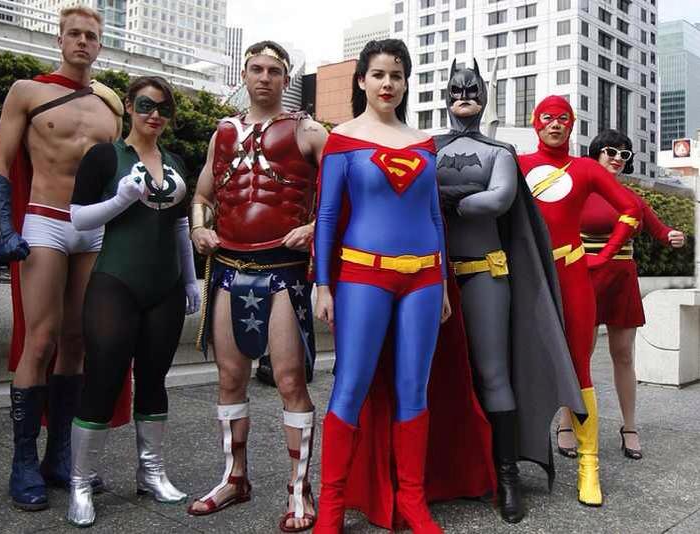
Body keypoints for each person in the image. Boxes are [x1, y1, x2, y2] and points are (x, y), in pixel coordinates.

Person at [313, 39, 500, 534]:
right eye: (378, 74)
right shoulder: (342, 140)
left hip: (423, 279)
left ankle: (413, 501)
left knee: (414, 389)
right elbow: (327, 215)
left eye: (396, 75)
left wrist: (440, 283)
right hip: (363, 275)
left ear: (405, 82)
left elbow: (434, 216)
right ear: (361, 80)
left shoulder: (422, 143)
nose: (387, 84)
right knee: (350, 386)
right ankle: (331, 506)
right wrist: (323, 284)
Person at [0, 5, 128, 511]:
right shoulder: (28, 92)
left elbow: (119, 180)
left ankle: (59, 456)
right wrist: (3, 229)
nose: (83, 42)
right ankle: (23, 462)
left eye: (91, 36)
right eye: (74, 34)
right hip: (44, 220)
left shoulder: (110, 110)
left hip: (91, 227)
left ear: (100, 45)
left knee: (77, 342)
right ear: (60, 40)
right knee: (40, 340)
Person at [434, 61, 585, 523]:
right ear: (445, 97)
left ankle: (507, 475)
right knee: (433, 376)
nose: (464, 95)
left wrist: (449, 201)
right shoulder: (429, 147)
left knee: (494, 374)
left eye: (472, 89)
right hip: (432, 276)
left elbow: (499, 199)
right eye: (456, 89)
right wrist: (464, 198)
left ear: (484, 96)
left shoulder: (500, 151)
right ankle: (443, 471)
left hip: (485, 272)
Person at [187, 40, 327, 532]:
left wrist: (315, 228)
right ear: (244, 75)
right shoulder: (222, 133)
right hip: (229, 266)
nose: (264, 77)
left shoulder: (310, 131)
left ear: (286, 79)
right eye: (256, 69)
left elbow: (342, 194)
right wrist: (198, 228)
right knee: (230, 378)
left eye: (273, 70)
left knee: (289, 380)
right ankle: (234, 478)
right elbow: (202, 195)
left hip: (284, 270)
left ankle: (299, 489)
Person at [65, 75, 198, 527]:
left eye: (163, 108)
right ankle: (81, 483)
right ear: (128, 106)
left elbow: (180, 226)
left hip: (166, 286)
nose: (154, 115)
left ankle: (151, 472)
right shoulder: (105, 157)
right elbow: (79, 219)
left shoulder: (175, 161)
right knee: (102, 379)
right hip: (115, 282)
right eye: (145, 105)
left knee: (155, 378)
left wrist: (191, 280)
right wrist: (120, 200)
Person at [518, 96, 642, 507]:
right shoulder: (518, 163)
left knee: (579, 364)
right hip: (531, 275)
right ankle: (508, 460)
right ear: (536, 123)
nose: (555, 124)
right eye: (548, 118)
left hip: (572, 273)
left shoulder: (586, 168)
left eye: (563, 118)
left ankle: (590, 463)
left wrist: (604, 256)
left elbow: (630, 210)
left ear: (571, 125)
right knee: (517, 362)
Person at [554, 129, 685, 461]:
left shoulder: (632, 198)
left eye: (623, 154)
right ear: (596, 154)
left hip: (622, 280)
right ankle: (566, 422)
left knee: (624, 354)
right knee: (579, 354)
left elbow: (660, 230)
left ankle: (629, 427)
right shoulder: (577, 191)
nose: (616, 158)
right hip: (584, 276)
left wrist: (673, 235)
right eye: (610, 151)